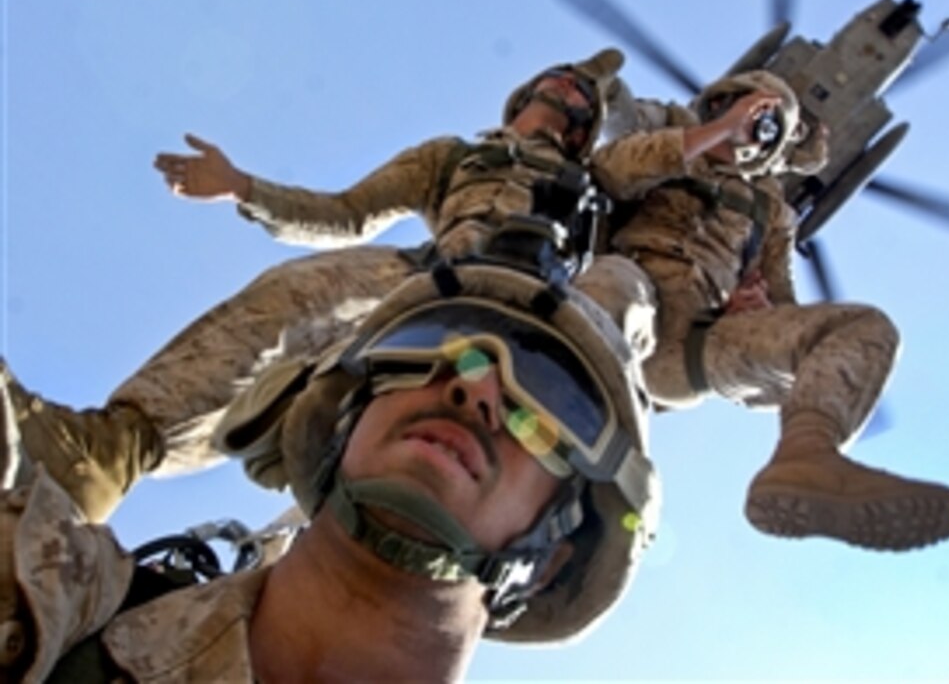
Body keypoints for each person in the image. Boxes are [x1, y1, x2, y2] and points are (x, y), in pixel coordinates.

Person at [0, 48, 628, 523]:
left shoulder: (601, 183)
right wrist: (244, 188)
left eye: (580, 90)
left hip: (533, 314)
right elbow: (350, 213)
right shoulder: (453, 157)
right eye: (559, 75)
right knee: (295, 295)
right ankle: (101, 456)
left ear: (582, 128)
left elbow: (670, 165)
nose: (567, 81)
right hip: (429, 277)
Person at [0, 261, 660, 681]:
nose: (473, 386)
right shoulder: (49, 587)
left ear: (551, 560)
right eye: (428, 344)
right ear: (342, 421)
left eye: (548, 398)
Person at [589, 70, 949, 551]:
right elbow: (610, 171)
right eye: (739, 108)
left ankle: (809, 456)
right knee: (618, 286)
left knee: (863, 328)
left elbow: (782, 299)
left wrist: (761, 306)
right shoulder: (670, 144)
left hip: (692, 347)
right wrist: (714, 133)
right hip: (620, 300)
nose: (748, 124)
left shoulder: (770, 211)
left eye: (765, 124)